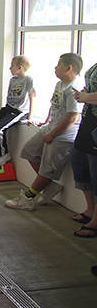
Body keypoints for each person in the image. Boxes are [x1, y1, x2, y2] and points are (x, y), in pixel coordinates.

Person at [5, 53, 84, 211]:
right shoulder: (60, 84)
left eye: (58, 65)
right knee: (29, 151)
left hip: (63, 134)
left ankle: (28, 198)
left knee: (48, 168)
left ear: (69, 68)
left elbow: (72, 117)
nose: (55, 68)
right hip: (50, 126)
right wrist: (46, 122)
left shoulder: (75, 87)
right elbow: (53, 105)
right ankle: (49, 185)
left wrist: (53, 134)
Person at [0, 56, 35, 165]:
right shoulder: (12, 80)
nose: (10, 68)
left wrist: (30, 116)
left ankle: (4, 154)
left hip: (19, 111)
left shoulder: (28, 79)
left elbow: (32, 96)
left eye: (12, 66)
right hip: (9, 107)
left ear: (20, 67)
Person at [71, 60, 97, 237]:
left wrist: (86, 97)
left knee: (96, 173)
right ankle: (90, 210)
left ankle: (96, 221)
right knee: (79, 164)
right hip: (87, 121)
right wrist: (84, 95)